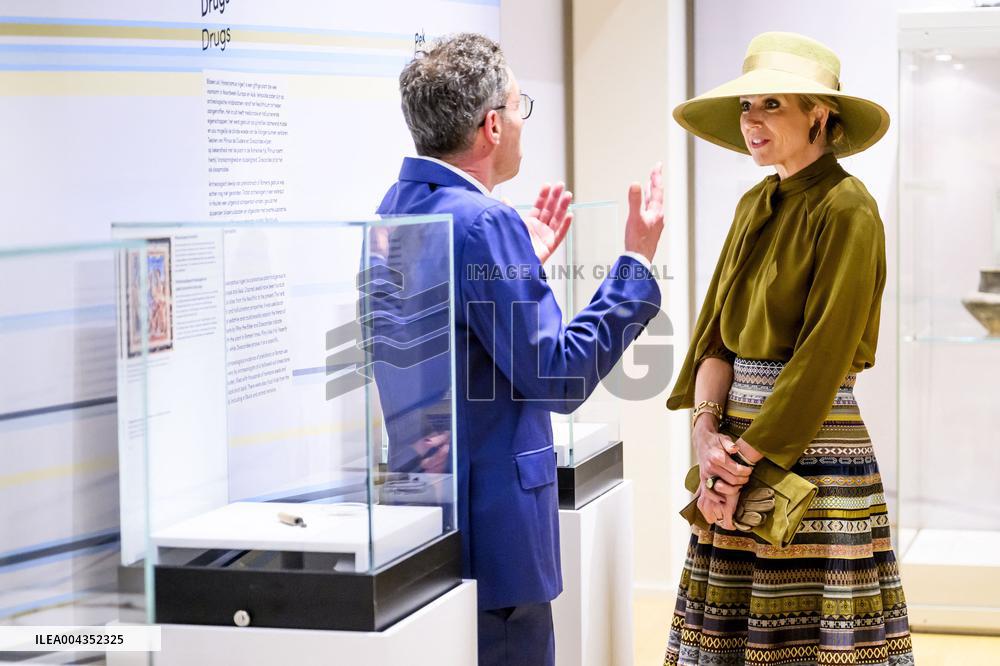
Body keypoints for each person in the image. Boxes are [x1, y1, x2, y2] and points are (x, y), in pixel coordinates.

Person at [375, 33, 665, 666]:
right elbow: (557, 377)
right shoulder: (484, 223)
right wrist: (634, 266)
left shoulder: (395, 209)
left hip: (426, 516)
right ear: (491, 126)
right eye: (518, 105)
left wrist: (521, 268)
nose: (521, 119)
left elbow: (449, 341)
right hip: (498, 531)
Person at [664, 32, 915, 665]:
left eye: (771, 104)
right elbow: (714, 337)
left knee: (808, 638)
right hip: (736, 449)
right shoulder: (755, 203)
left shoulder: (848, 206)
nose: (751, 121)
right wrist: (706, 438)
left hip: (812, 449)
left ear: (820, 115)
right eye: (748, 106)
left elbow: (823, 358)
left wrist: (742, 461)